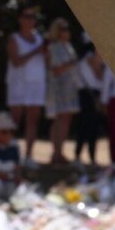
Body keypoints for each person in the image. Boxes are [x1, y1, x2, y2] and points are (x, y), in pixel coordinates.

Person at [6, 5, 47, 166]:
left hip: (37, 83)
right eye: (27, 16)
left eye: (33, 17)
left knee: (33, 120)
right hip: (18, 83)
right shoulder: (14, 38)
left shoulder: (39, 39)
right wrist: (36, 51)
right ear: (20, 19)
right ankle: (10, 154)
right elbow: (16, 62)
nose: (30, 20)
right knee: (15, 120)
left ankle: (28, 156)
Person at [44, 18, 80, 165]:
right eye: (63, 29)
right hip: (58, 88)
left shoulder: (69, 46)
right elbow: (55, 69)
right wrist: (70, 64)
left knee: (66, 120)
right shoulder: (53, 47)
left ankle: (60, 152)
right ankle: (56, 152)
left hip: (70, 88)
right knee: (58, 120)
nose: (66, 32)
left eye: (67, 29)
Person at [74, 42, 105, 167]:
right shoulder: (90, 58)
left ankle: (82, 156)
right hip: (90, 95)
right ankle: (86, 157)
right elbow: (99, 75)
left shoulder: (82, 59)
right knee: (89, 128)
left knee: (86, 127)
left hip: (88, 95)